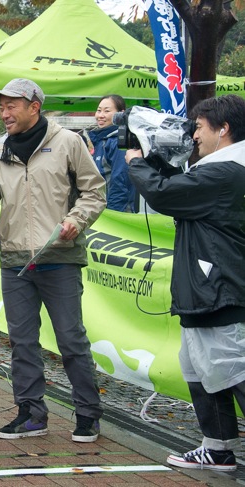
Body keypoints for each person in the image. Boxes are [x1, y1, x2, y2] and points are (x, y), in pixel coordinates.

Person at [0, 78, 106, 443]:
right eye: (0, 107)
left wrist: (75, 220)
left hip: (60, 256)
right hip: (14, 260)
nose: (3, 113)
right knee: (22, 340)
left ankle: (88, 414)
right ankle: (32, 413)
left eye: (10, 106)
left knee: (71, 340)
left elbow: (95, 192)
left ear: (34, 105)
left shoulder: (68, 142)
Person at [125, 94, 245, 472]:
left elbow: (167, 194)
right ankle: (218, 447)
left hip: (220, 287)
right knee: (198, 367)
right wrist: (156, 159)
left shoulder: (228, 170)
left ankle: (220, 446)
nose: (193, 135)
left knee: (234, 369)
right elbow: (185, 189)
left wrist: (136, 163)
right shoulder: (221, 169)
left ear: (222, 129)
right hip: (208, 286)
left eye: (199, 127)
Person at [89, 95, 136, 212]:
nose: (100, 115)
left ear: (121, 114)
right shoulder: (102, 141)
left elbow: (120, 182)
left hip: (115, 213)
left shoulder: (119, 142)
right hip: (100, 211)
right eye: (99, 110)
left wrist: (114, 215)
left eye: (107, 111)